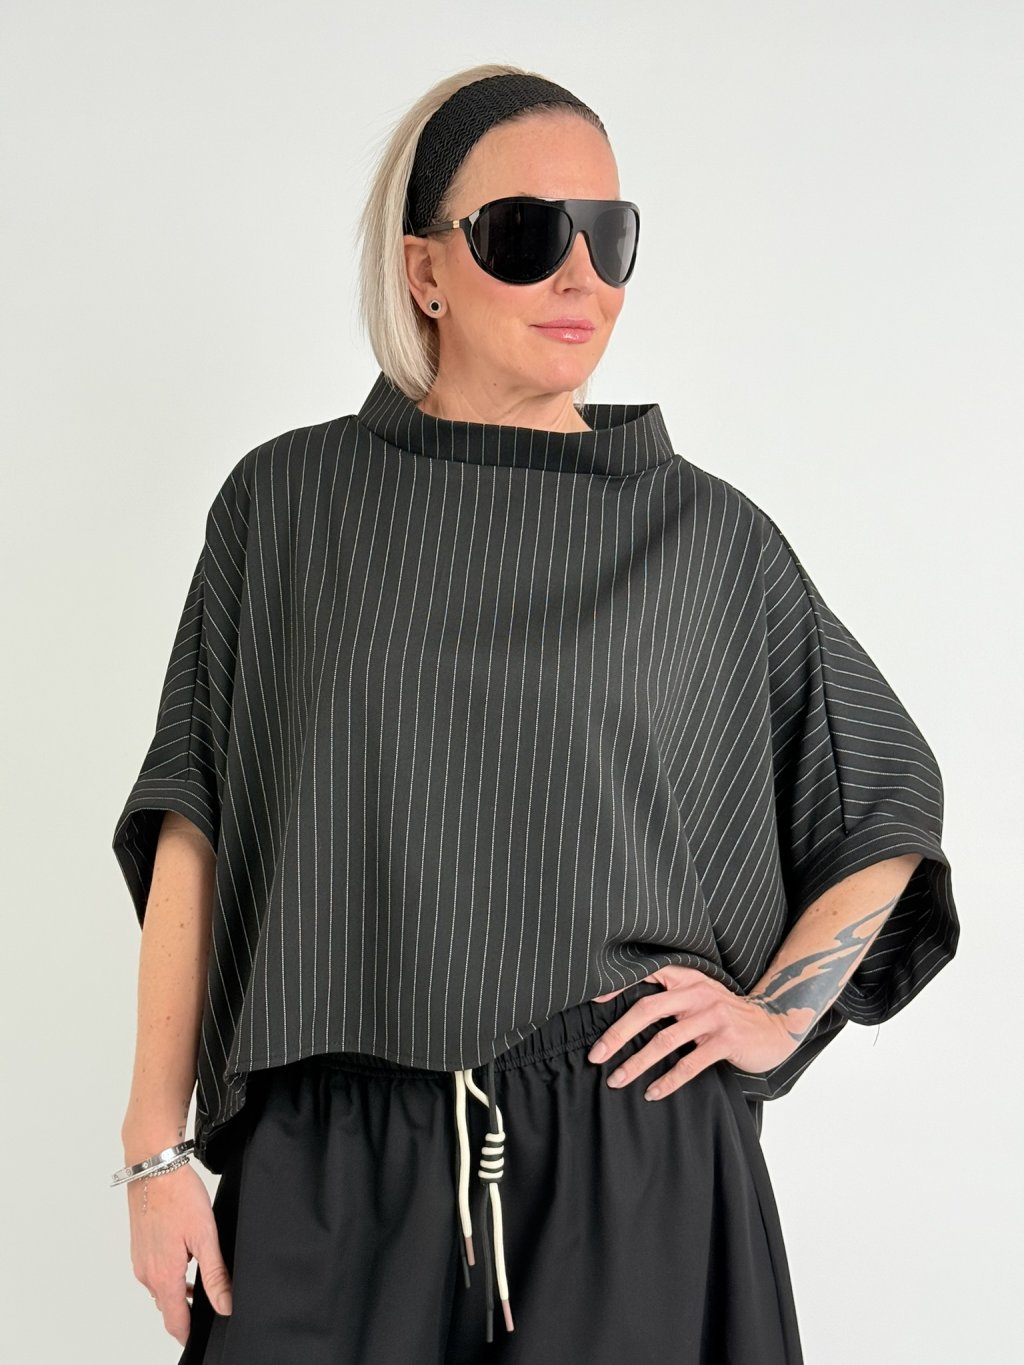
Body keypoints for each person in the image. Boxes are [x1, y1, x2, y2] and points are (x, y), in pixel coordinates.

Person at [110, 63, 959, 1365]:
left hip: (628, 1157)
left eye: (610, 236)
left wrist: (776, 1013)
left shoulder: (705, 539)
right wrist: (152, 1150)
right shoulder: (287, 509)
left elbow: (882, 803)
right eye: (526, 234)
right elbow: (198, 823)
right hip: (331, 1165)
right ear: (424, 270)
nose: (581, 276)